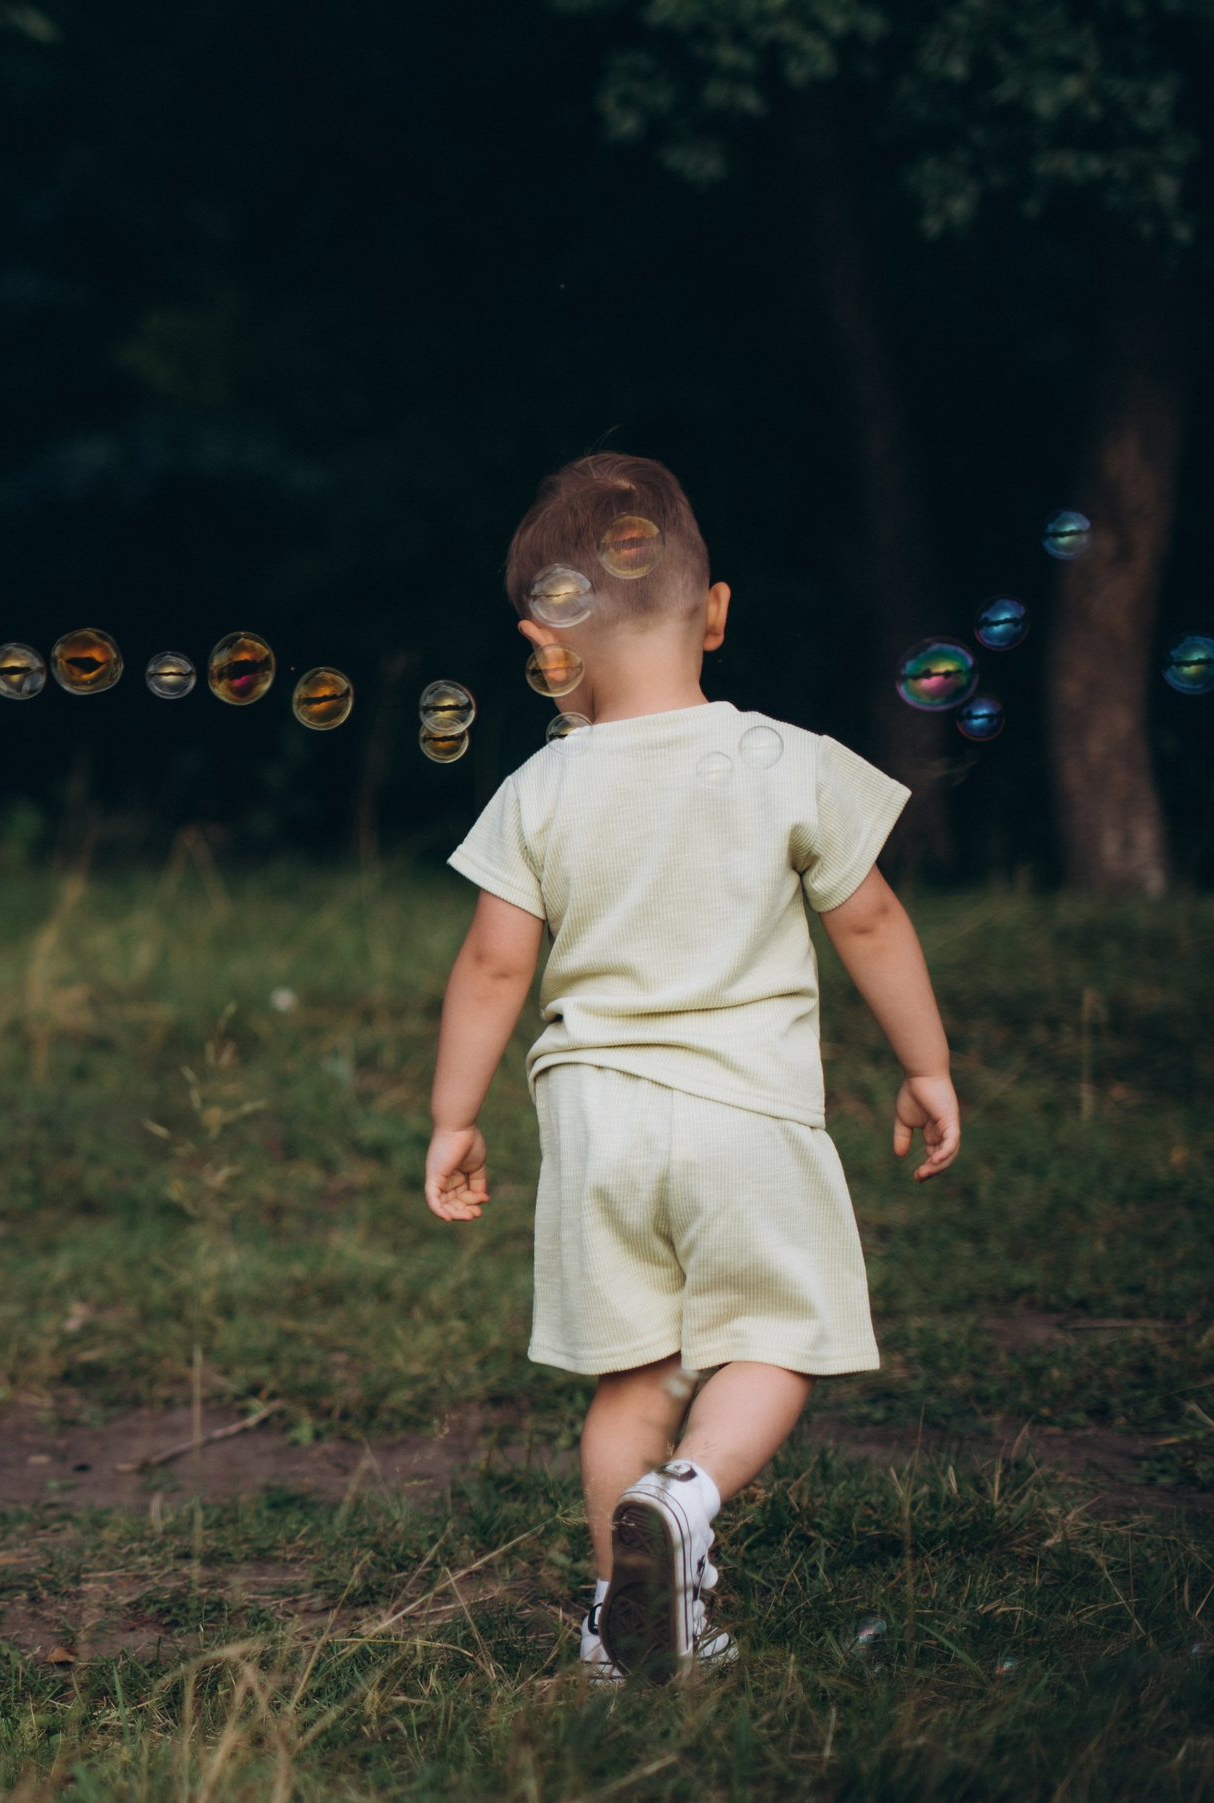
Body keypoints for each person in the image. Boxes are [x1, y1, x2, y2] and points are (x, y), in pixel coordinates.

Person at [422, 454, 960, 1683]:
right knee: (775, 1340)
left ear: (543, 646)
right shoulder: (786, 759)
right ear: (715, 611)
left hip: (596, 1130)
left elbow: (494, 967)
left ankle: (627, 1623)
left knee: (632, 1375)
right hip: (747, 1120)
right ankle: (690, 1495)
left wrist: (454, 1115)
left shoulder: (539, 786)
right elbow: (867, 921)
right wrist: (923, 1064)